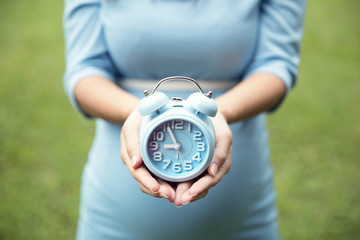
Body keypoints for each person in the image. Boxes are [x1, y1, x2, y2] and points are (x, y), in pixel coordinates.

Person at [63, 0, 306, 239]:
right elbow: (84, 69)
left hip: (242, 211)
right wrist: (135, 112)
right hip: (113, 213)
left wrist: (222, 112)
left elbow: (277, 64)